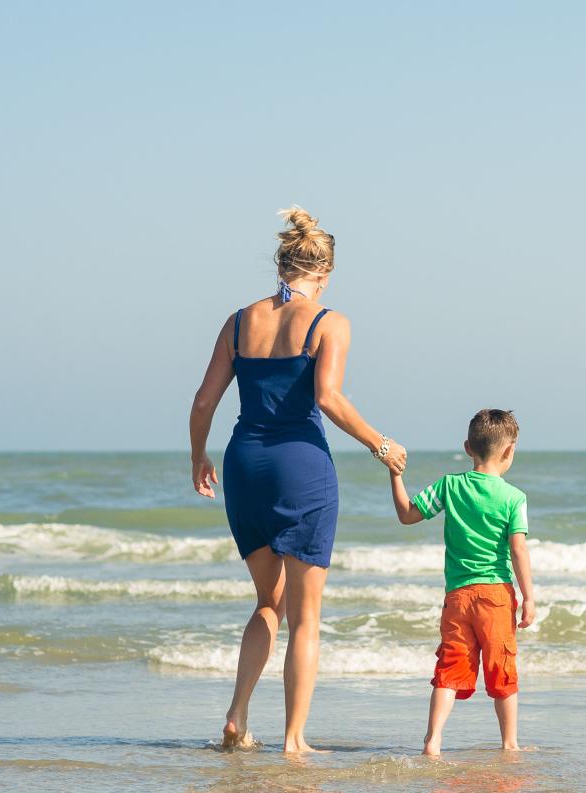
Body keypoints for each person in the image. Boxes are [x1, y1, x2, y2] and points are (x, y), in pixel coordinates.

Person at [188, 206, 407, 753]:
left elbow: (203, 401)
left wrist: (199, 457)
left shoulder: (239, 320)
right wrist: (381, 445)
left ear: (281, 265)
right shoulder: (330, 321)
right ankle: (293, 740)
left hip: (244, 464)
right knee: (306, 618)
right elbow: (329, 398)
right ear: (324, 272)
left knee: (269, 602)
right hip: (300, 467)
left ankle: (238, 714)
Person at [390, 409, 535, 756]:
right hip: (496, 595)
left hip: (457, 597)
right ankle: (509, 743)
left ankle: (433, 740)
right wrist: (529, 597)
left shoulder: (449, 485)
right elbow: (518, 549)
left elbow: (407, 515)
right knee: (501, 667)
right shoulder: (514, 497)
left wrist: (395, 476)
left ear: (468, 447)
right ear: (509, 451)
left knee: (450, 667)